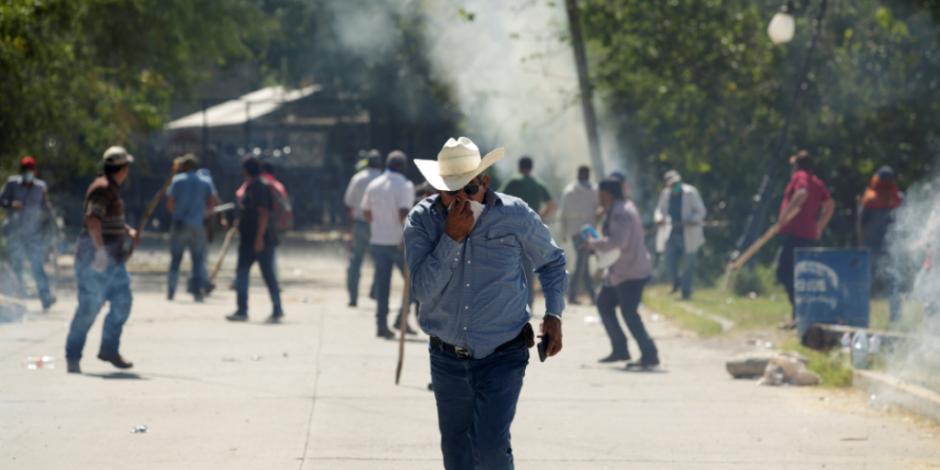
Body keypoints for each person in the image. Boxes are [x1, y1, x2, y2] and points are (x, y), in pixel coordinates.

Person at [406, 137, 567, 470]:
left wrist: (554, 313)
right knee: (457, 456)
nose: (460, 199)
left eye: (469, 188)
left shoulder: (514, 214)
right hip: (447, 358)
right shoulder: (423, 220)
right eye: (450, 191)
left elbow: (551, 261)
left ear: (485, 183)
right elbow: (422, 290)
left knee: (491, 449)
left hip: (503, 353)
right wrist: (451, 237)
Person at [65, 146, 138, 374]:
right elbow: (93, 220)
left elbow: (106, 218)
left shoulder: (110, 188)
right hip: (95, 260)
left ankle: (108, 348)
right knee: (89, 308)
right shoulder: (103, 188)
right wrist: (100, 252)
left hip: (113, 262)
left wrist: (126, 230)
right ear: (123, 168)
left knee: (122, 301)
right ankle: (73, 355)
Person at [588, 178, 659, 368]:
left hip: (630, 272)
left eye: (600, 194)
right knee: (604, 303)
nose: (598, 198)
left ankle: (650, 354)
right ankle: (620, 349)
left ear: (606, 194)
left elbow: (619, 241)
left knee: (629, 313)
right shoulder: (620, 208)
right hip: (621, 272)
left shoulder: (620, 212)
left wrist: (593, 244)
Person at [776, 150, 835, 329]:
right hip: (808, 236)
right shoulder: (816, 182)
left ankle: (798, 313)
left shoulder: (800, 176)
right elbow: (830, 205)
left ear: (797, 165)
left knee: (784, 272)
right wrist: (819, 227)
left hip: (795, 235)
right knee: (800, 275)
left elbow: (801, 193)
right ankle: (799, 314)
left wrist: (785, 216)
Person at [361, 151, 415, 338]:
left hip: (378, 240)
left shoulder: (374, 184)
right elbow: (403, 214)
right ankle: (401, 317)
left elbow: (366, 213)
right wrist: (405, 235)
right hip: (398, 242)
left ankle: (381, 325)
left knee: (382, 286)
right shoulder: (405, 185)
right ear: (403, 166)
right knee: (414, 283)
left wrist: (379, 225)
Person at [226, 156, 283, 324]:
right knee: (242, 274)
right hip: (247, 239)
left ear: (246, 170)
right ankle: (242, 310)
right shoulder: (251, 186)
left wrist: (259, 238)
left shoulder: (258, 186)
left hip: (260, 240)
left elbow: (263, 213)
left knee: (268, 276)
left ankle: (277, 308)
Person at [0, 156, 56, 310]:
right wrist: (11, 204)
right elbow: (1, 201)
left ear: (35, 171)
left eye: (30, 171)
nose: (28, 174)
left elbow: (46, 208)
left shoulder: (40, 187)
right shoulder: (12, 184)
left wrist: (51, 229)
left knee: (37, 266)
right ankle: (17, 299)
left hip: (33, 234)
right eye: (25, 171)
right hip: (14, 233)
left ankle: (45, 297)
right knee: (16, 266)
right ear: (21, 171)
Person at [501, 156, 556, 306]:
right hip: (532, 230)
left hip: (514, 228)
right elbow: (552, 204)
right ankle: (528, 302)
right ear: (531, 167)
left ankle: (514, 302)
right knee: (528, 265)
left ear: (519, 166)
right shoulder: (538, 183)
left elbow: (498, 200)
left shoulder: (514, 181)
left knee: (510, 264)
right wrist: (539, 217)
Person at [165, 154, 218, 302]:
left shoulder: (177, 180)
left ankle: (171, 291)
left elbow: (169, 202)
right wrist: (205, 214)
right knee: (198, 260)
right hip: (197, 224)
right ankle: (197, 292)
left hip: (180, 224)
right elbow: (212, 201)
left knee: (175, 260)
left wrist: (176, 214)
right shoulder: (205, 181)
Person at [857, 166, 903, 322]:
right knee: (892, 281)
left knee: (864, 281)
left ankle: (860, 314)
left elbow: (861, 224)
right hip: (888, 247)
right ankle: (895, 316)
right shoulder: (896, 198)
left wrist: (861, 244)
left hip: (873, 246)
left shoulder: (869, 198)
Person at [654, 170, 706, 300]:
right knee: (669, 261)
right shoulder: (665, 194)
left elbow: (701, 211)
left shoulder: (690, 192)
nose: (675, 186)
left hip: (688, 233)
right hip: (672, 232)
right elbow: (659, 210)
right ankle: (675, 282)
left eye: (677, 183)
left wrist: (691, 220)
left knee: (688, 264)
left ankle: (686, 292)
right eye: (672, 184)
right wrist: (659, 219)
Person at [343, 149, 382, 307]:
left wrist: (351, 225)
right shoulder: (383, 179)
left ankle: (353, 297)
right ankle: (375, 291)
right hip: (379, 225)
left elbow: (349, 203)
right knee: (380, 260)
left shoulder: (358, 178)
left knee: (356, 260)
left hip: (360, 223)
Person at [559, 165, 597, 304]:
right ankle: (574, 295)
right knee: (582, 262)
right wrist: (563, 233)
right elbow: (563, 214)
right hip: (580, 234)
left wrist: (564, 233)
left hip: (584, 233)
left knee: (583, 264)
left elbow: (562, 214)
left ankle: (589, 295)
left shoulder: (591, 190)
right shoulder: (589, 190)